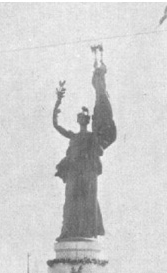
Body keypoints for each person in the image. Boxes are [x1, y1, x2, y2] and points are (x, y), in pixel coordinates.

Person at [52, 45, 116, 240]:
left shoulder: (91, 138)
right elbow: (56, 125)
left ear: (87, 121)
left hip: (87, 173)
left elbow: (103, 120)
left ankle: (87, 233)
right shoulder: (74, 136)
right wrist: (57, 103)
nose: (81, 118)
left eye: (84, 117)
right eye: (79, 116)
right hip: (74, 173)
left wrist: (100, 88)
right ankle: (68, 232)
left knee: (87, 203)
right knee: (70, 204)